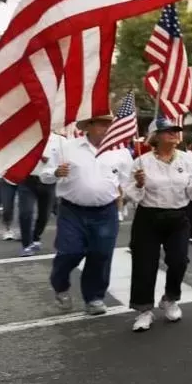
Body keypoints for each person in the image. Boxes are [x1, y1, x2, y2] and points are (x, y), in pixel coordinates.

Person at [43, 111, 132, 314]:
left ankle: (94, 298)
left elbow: (127, 182)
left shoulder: (121, 151)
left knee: (101, 255)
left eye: (109, 124)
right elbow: (44, 175)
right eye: (101, 124)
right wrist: (55, 173)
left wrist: (128, 197)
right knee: (69, 252)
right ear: (88, 126)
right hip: (72, 210)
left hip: (106, 211)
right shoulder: (68, 147)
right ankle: (60, 284)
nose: (106, 128)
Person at [125, 118, 192, 332]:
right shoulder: (142, 162)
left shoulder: (187, 160)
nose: (173, 134)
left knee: (179, 260)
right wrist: (140, 184)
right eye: (167, 131)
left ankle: (170, 298)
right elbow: (131, 195)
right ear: (155, 136)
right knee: (144, 264)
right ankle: (143, 310)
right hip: (148, 217)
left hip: (178, 216)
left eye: (175, 130)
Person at [18, 130, 62, 256]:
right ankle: (26, 245)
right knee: (25, 212)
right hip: (28, 179)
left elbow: (63, 162)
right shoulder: (26, 137)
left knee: (44, 215)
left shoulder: (59, 140)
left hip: (49, 182)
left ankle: (36, 237)